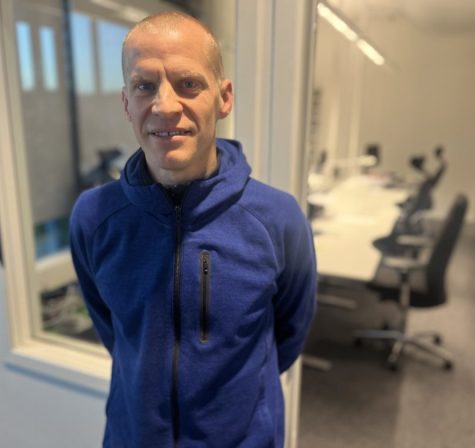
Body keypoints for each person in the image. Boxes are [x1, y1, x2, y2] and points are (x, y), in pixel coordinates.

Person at [70, 11, 317, 448]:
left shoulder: (277, 218)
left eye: (188, 83)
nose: (165, 106)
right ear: (126, 103)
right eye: (145, 86)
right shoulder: (93, 218)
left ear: (224, 98)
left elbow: (289, 333)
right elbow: (114, 332)